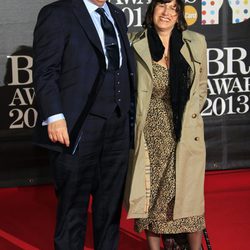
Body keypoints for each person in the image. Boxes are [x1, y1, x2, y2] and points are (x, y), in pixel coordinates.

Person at [33, 0, 135, 249]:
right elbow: (45, 71)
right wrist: (54, 116)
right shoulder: (58, 13)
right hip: (76, 125)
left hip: (118, 124)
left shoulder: (117, 15)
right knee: (72, 205)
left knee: (110, 206)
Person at [124, 0, 208, 249]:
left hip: (184, 132)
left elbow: (201, 85)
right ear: (152, 11)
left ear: (179, 14)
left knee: (188, 199)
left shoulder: (196, 41)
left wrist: (191, 111)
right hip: (149, 132)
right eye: (162, 6)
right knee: (151, 198)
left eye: (174, 8)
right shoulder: (133, 42)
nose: (167, 12)